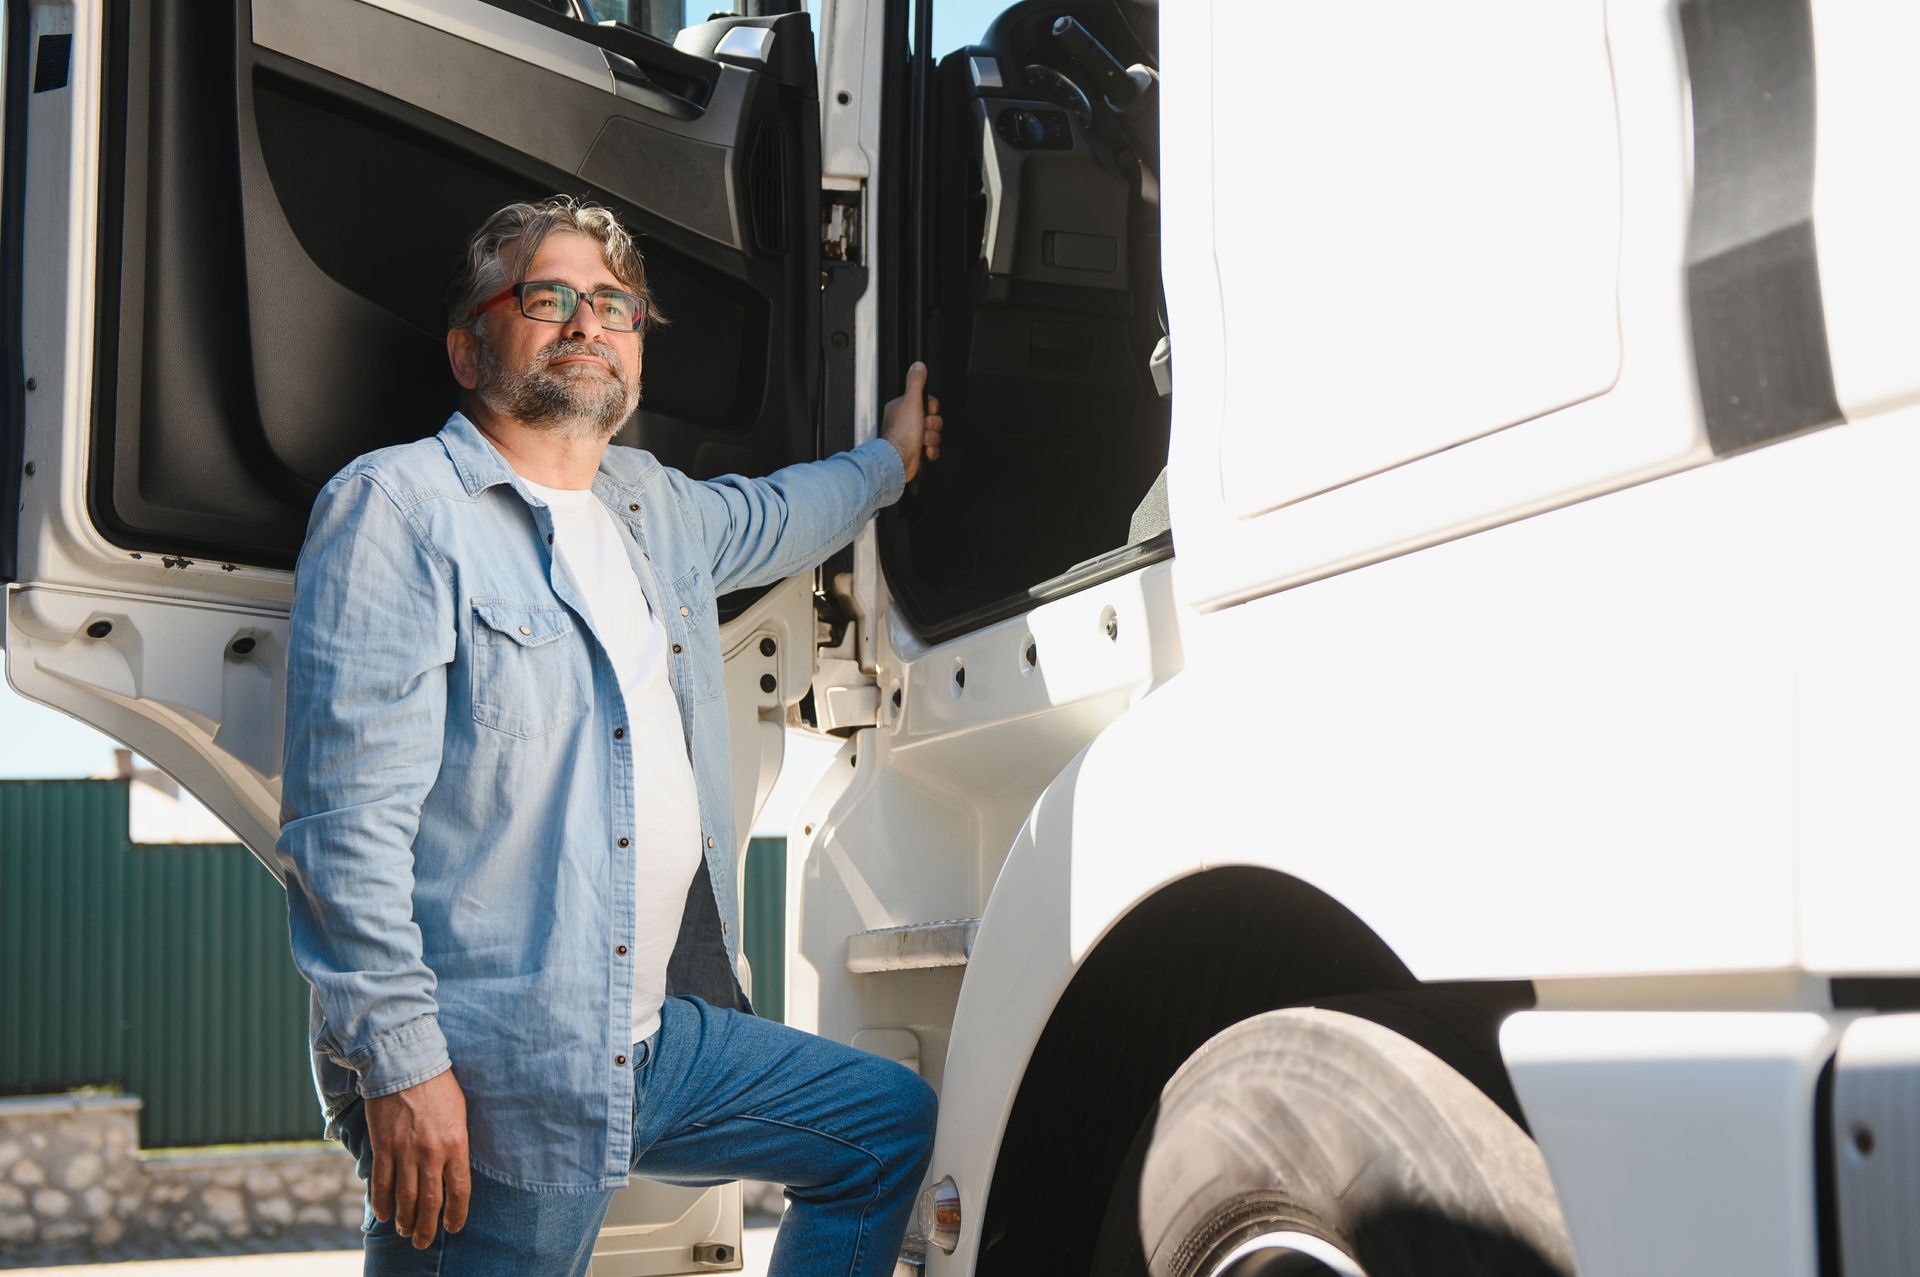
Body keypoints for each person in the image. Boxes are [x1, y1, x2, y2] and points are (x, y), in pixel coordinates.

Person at [277, 196, 944, 1276]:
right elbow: (341, 835)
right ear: (466, 347)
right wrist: (403, 1069)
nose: (589, 320)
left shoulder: (650, 507)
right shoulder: (398, 511)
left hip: (653, 1042)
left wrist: (890, 461)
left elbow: (785, 511)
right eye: (549, 296)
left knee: (882, 1125)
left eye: (616, 304)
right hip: (499, 1076)